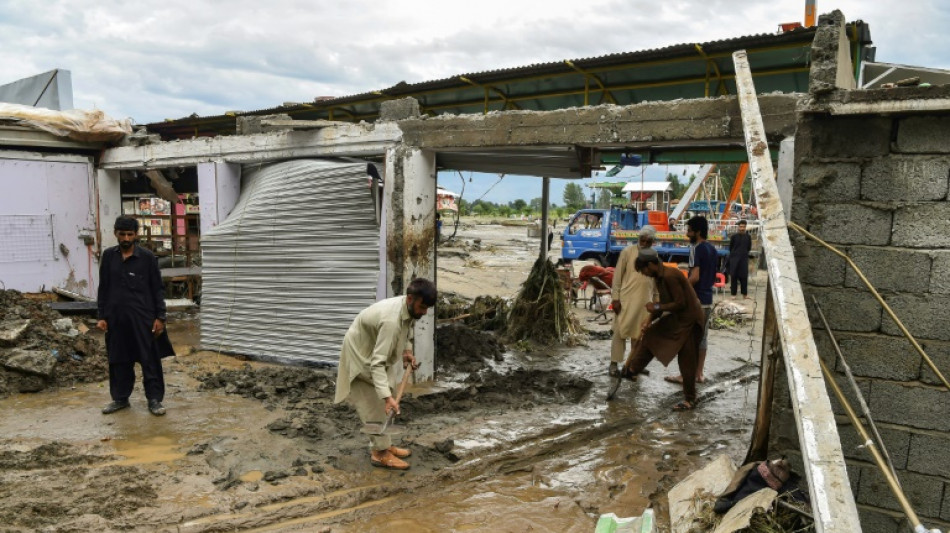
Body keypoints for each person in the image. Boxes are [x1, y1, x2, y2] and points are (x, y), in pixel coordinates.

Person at [334, 278, 437, 470]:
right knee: (374, 402)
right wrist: (387, 397)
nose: (424, 313)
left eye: (427, 309)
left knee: (386, 393)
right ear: (410, 299)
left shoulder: (407, 309)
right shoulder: (390, 321)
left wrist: (406, 351)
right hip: (361, 353)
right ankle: (379, 454)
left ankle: (385, 446)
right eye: (422, 307)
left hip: (375, 348)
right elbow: (377, 363)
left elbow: (407, 329)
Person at [97, 216, 175, 416]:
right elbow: (103, 288)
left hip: (143, 319)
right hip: (116, 320)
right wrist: (102, 316)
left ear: (136, 235)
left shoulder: (147, 258)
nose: (125, 238)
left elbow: (157, 289)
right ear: (115, 233)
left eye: (129, 234)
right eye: (122, 234)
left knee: (149, 359)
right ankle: (120, 398)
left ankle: (155, 400)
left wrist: (160, 317)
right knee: (119, 360)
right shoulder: (108, 256)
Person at [621, 249, 705, 410]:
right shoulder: (658, 277)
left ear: (651, 264)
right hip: (678, 317)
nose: (644, 274)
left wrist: (656, 306)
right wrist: (649, 319)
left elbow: (679, 303)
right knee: (651, 334)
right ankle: (633, 369)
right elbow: (662, 304)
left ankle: (690, 398)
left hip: (690, 320)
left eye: (644, 270)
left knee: (687, 358)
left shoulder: (669, 276)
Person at [665, 215, 717, 385]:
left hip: (695, 301)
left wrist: (680, 290)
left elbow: (694, 277)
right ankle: (699, 374)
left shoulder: (696, 248)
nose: (687, 233)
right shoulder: (712, 249)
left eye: (689, 230)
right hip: (708, 299)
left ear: (698, 232)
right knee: (702, 338)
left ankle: (685, 375)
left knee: (687, 339)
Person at [608, 225, 657, 377]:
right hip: (625, 300)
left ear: (652, 242)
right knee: (620, 332)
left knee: (640, 335)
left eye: (648, 241)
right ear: (638, 239)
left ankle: (635, 365)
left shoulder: (654, 255)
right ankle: (614, 364)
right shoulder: (627, 252)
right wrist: (615, 298)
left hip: (645, 302)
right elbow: (617, 277)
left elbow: (656, 281)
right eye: (642, 240)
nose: (644, 243)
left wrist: (656, 301)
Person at [727, 220, 752, 299]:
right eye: (740, 227)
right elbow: (731, 248)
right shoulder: (734, 237)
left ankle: (744, 294)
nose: (742, 228)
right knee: (734, 276)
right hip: (734, 259)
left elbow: (749, 248)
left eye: (743, 227)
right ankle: (733, 294)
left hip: (744, 259)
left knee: (744, 276)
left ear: (745, 227)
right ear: (738, 227)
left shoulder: (748, 237)